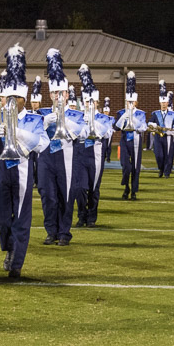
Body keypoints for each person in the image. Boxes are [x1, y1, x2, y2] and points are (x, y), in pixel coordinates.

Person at [0, 46, 50, 278]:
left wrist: (17, 132)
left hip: (22, 171)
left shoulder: (33, 119)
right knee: (1, 219)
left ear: (23, 99)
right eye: (8, 97)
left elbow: (42, 144)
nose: (10, 101)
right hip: (0, 171)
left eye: (15, 98)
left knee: (21, 219)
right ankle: (9, 247)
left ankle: (16, 263)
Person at [38, 48, 87, 246]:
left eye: (62, 92)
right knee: (47, 195)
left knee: (66, 195)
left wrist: (63, 120)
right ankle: (51, 231)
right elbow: (32, 135)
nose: (58, 96)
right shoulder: (41, 113)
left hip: (67, 156)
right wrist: (44, 122)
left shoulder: (76, 114)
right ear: (50, 94)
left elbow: (83, 134)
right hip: (46, 157)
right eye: (55, 92)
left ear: (67, 94)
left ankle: (64, 233)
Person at [75, 64, 113, 228]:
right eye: (86, 101)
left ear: (97, 102)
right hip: (81, 153)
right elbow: (77, 134)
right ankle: (81, 215)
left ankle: (91, 218)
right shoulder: (78, 116)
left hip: (96, 155)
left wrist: (92, 123)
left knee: (93, 188)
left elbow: (106, 133)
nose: (89, 104)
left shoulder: (104, 118)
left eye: (91, 101)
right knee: (80, 188)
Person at [115, 71, 146, 200]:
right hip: (124, 141)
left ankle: (133, 190)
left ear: (136, 102)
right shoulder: (121, 112)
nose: (130, 104)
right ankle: (126, 186)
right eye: (128, 101)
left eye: (132, 102)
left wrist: (134, 118)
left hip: (136, 142)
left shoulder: (141, 113)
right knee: (125, 166)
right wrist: (125, 116)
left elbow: (143, 127)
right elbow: (117, 127)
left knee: (135, 167)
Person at [150, 81, 174, 178]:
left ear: (168, 103)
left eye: (165, 102)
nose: (163, 104)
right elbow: (149, 123)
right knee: (159, 155)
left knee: (168, 155)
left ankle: (166, 172)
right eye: (162, 102)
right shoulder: (155, 113)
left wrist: (171, 131)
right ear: (160, 103)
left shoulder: (173, 114)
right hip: (158, 136)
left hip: (168, 136)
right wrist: (155, 126)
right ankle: (161, 168)